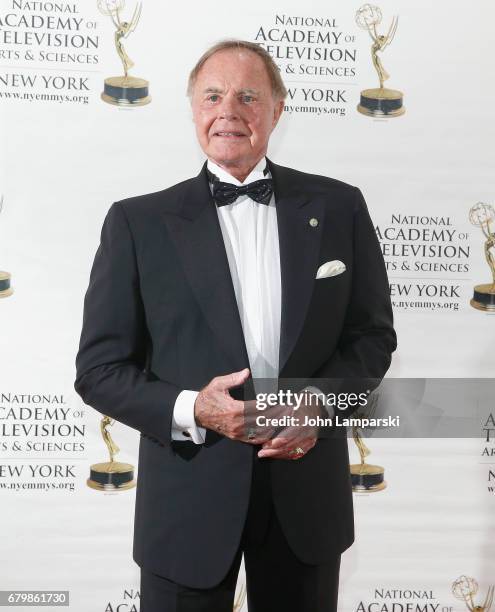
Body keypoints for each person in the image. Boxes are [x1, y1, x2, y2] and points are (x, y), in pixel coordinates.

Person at [75, 39, 396, 612]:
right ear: (193, 109)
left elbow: (371, 338)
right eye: (213, 95)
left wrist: (317, 404)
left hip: (305, 497)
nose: (229, 110)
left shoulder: (340, 207)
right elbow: (99, 370)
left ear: (277, 107)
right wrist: (193, 408)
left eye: (249, 95)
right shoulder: (137, 222)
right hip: (187, 500)